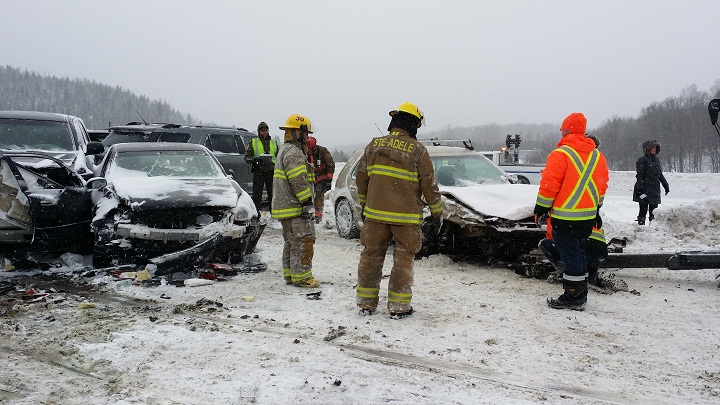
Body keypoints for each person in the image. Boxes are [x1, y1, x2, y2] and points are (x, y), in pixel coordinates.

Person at [355, 102, 443, 319]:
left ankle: (366, 303)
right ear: (413, 124)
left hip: (375, 216)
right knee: (403, 262)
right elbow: (429, 185)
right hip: (406, 218)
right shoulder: (418, 151)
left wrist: (366, 205)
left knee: (371, 257)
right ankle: (399, 307)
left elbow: (361, 178)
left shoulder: (374, 146)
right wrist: (437, 213)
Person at [534, 112, 609, 311]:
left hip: (565, 216)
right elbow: (601, 186)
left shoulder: (560, 155)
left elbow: (549, 185)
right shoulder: (597, 156)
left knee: (570, 255)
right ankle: (580, 292)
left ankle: (573, 296)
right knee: (579, 252)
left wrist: (541, 208)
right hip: (587, 217)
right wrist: (597, 209)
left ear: (565, 130)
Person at [271, 114, 320, 288]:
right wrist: (307, 203)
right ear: (298, 133)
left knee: (291, 242)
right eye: (306, 134)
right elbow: (298, 181)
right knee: (303, 241)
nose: (307, 137)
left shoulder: (286, 149)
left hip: (287, 206)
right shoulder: (294, 152)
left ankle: (291, 275)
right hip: (295, 207)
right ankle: (302, 278)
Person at [632, 140, 669, 225]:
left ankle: (652, 228)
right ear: (647, 149)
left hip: (654, 190)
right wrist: (640, 190)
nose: (654, 149)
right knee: (643, 211)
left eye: (656, 148)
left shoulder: (656, 160)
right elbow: (639, 176)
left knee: (654, 213)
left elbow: (660, 174)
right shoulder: (642, 160)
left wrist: (665, 185)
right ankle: (641, 227)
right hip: (644, 189)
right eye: (653, 148)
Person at [244, 121, 278, 211]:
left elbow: (278, 157)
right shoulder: (254, 142)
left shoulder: (273, 142)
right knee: (257, 195)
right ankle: (256, 213)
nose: (265, 132)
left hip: (271, 171)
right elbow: (247, 157)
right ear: (259, 131)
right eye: (263, 130)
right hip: (258, 170)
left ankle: (274, 212)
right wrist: (255, 159)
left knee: (273, 194)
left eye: (266, 130)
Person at [306, 136, 335, 223]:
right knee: (307, 196)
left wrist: (329, 180)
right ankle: (308, 213)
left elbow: (330, 164)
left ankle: (318, 216)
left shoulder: (322, 152)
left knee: (319, 195)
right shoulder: (303, 151)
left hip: (321, 177)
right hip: (309, 178)